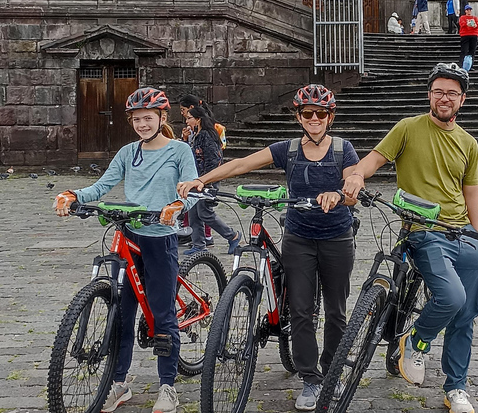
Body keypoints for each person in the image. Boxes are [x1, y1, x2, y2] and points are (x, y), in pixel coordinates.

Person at [177, 84, 358, 412]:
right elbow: (241, 164)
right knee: (301, 310)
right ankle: (311, 378)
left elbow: (352, 185)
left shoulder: (343, 150)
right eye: (307, 113)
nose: (314, 118)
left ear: (330, 117)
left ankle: (332, 371)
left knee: (336, 311)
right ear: (299, 116)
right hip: (299, 238)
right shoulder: (288, 149)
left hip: (336, 239)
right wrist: (202, 180)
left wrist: (340, 195)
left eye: (321, 113)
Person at [343, 63, 478, 413]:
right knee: (451, 297)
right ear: (429, 95)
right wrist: (357, 176)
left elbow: (472, 193)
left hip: (461, 232)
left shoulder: (468, 143)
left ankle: (456, 388)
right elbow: (374, 160)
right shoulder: (408, 128)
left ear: (462, 100)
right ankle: (416, 340)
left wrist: (477, 237)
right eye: (438, 91)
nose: (444, 98)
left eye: (452, 93)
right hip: (423, 230)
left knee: (465, 313)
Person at [53, 87, 198, 413]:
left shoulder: (179, 151)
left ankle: (166, 386)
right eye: (137, 119)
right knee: (121, 313)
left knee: (162, 315)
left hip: (160, 238)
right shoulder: (127, 152)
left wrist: (176, 205)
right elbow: (102, 186)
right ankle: (118, 383)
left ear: (162, 118)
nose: (143, 124)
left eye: (149, 118)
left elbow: (189, 186)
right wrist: (72, 194)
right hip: (129, 235)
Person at [182, 106, 242, 256]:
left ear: (198, 119)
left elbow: (214, 160)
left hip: (207, 180)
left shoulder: (207, 135)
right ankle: (199, 244)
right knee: (193, 213)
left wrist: (206, 180)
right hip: (196, 179)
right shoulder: (197, 134)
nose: (186, 120)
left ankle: (232, 235)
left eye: (189, 117)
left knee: (205, 212)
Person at [458, 5, 478, 71]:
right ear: (465, 11)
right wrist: (466, 24)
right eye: (467, 10)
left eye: (470, 10)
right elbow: (462, 24)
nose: (469, 11)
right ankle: (461, 65)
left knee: (472, 51)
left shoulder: (475, 18)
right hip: (465, 35)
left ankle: (470, 65)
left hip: (473, 35)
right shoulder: (462, 17)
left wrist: (475, 25)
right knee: (464, 51)